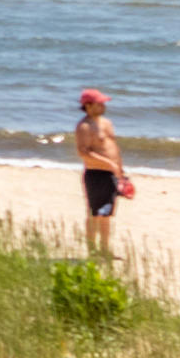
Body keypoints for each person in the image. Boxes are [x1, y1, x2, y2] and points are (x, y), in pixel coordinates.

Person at [75, 89, 128, 261]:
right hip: (96, 173)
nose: (103, 106)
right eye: (99, 103)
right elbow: (84, 152)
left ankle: (105, 251)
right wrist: (109, 164)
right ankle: (92, 251)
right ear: (88, 106)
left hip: (111, 174)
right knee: (95, 214)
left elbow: (112, 147)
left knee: (107, 215)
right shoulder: (84, 126)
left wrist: (120, 169)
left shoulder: (106, 123)